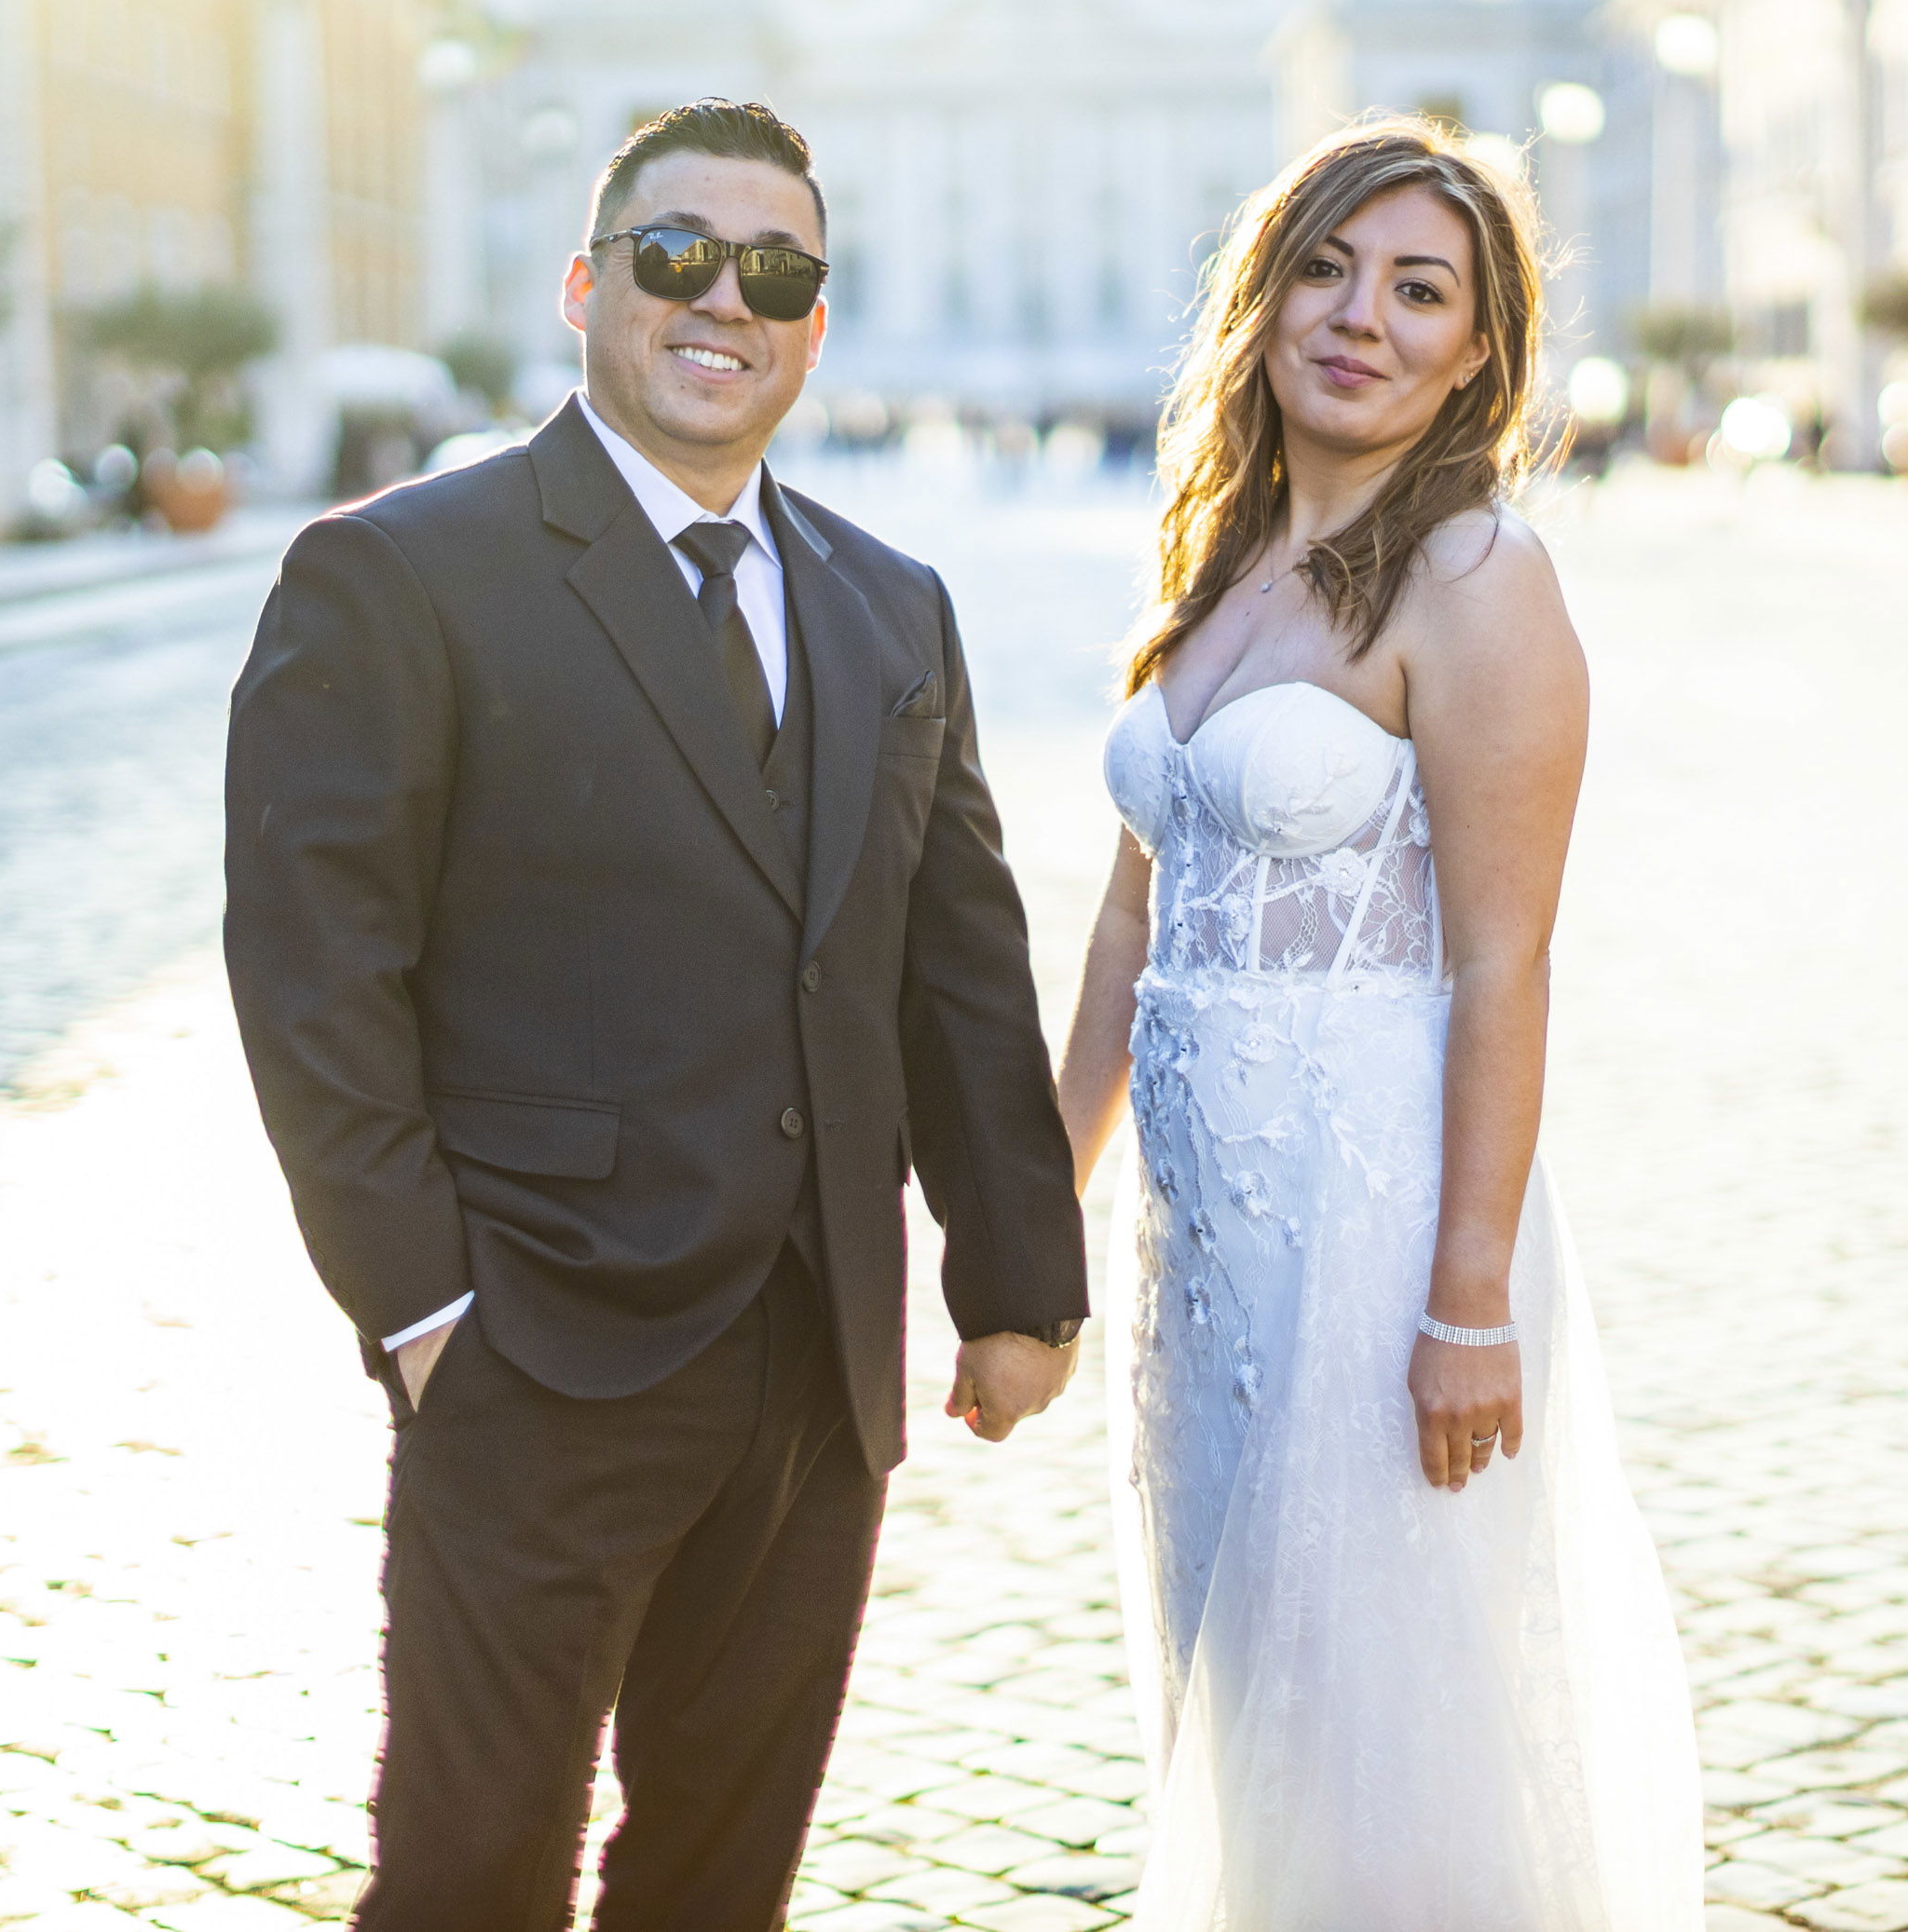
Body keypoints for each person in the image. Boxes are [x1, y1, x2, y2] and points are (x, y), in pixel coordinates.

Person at [222, 98, 1088, 1932]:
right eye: (673, 254)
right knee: (469, 1878)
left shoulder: (888, 606)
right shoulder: (399, 572)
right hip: (534, 1355)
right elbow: (315, 973)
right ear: (585, 284)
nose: (722, 299)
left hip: (814, 1374)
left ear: (815, 319)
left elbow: (955, 959)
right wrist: (426, 1307)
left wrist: (1014, 1277)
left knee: (717, 1882)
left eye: (771, 269)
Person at [1052, 120, 1700, 1929]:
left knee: (1369, 1710)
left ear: (1479, 350)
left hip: (1374, 1231)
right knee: (1234, 1675)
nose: (1362, 316)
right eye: (1328, 267)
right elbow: (1129, 912)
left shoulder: (1482, 579)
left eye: (1421, 289)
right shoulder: (1218, 553)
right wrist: (1043, 1193)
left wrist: (1466, 1296)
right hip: (1196, 1251)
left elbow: (1504, 961)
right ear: (1263, 294)